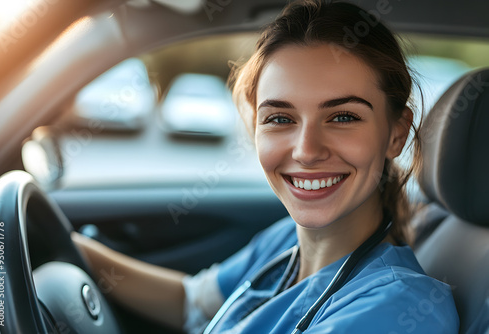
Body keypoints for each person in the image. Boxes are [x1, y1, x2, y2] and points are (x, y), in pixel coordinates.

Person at [72, 0, 459, 333]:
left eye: (342, 117)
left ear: (396, 133)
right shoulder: (285, 241)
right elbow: (192, 302)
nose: (306, 151)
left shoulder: (400, 309)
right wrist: (70, 248)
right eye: (280, 118)